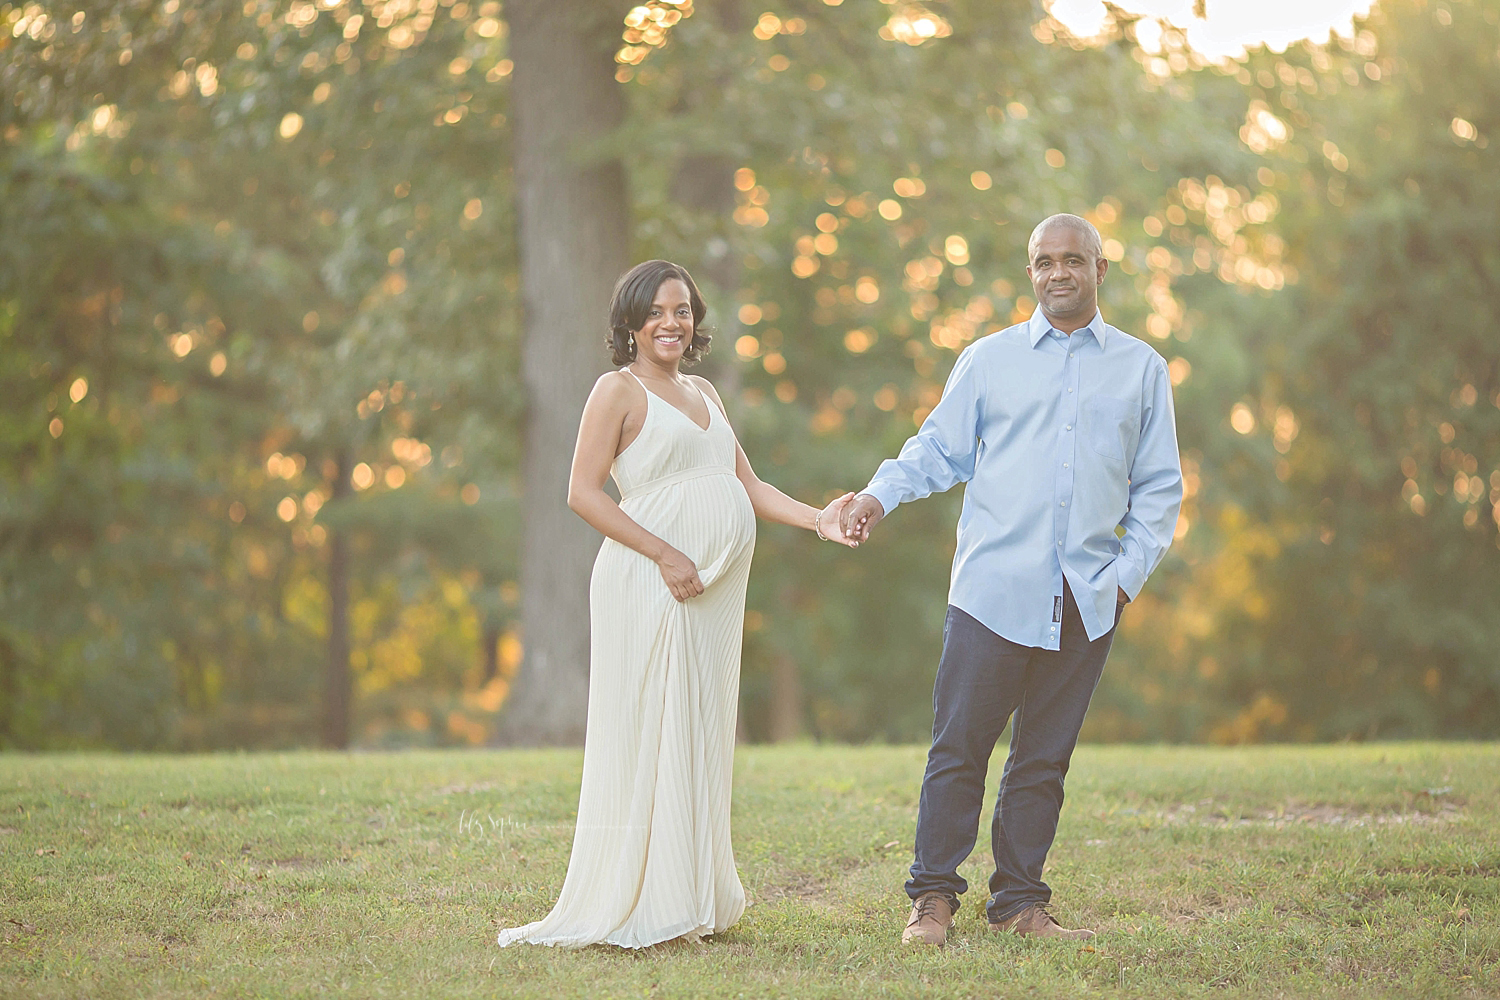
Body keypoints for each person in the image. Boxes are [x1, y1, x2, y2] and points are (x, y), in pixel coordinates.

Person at [841, 215, 1183, 946]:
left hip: (1086, 597)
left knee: (1043, 759)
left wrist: (1123, 579)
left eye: (1072, 260)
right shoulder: (989, 360)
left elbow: (1159, 489)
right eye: (1043, 262)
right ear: (1030, 272)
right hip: (991, 592)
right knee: (958, 748)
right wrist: (876, 495)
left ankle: (1020, 904)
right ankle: (932, 898)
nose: (1058, 273)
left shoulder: (1142, 369)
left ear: (1099, 269)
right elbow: (935, 450)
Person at [497, 259, 857, 949]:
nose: (673, 322)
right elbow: (583, 491)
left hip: (714, 588)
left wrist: (821, 519)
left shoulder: (706, 394)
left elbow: (745, 484)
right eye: (658, 311)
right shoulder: (617, 390)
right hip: (650, 582)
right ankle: (647, 901)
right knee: (654, 727)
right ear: (630, 321)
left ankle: (690, 894)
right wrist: (663, 551)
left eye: (684, 310)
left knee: (699, 726)